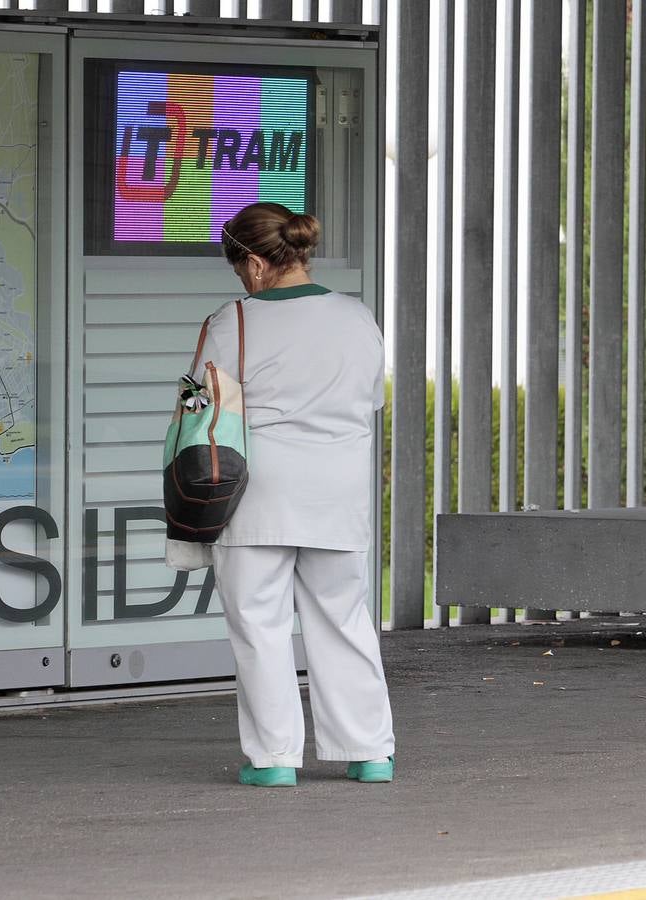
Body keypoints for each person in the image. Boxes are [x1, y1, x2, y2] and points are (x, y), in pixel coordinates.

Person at [198, 201, 395, 786]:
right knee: (343, 617)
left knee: (258, 623)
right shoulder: (358, 318)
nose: (241, 281)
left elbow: (201, 412)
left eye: (240, 270)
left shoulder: (231, 321)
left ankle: (275, 759)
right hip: (337, 491)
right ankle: (370, 752)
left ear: (256, 264)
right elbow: (371, 402)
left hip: (254, 493)